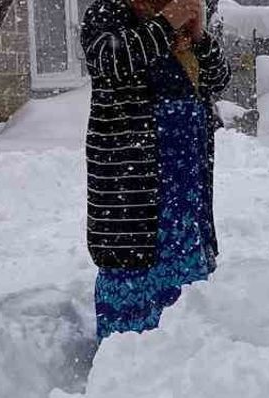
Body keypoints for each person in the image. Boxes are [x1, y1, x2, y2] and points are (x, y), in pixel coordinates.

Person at [82, 0, 232, 340]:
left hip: (184, 176)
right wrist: (166, 23)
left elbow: (218, 77)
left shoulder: (178, 28)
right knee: (133, 267)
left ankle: (179, 354)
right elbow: (109, 61)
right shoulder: (109, 13)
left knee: (183, 263)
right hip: (132, 179)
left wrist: (199, 37)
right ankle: (125, 364)